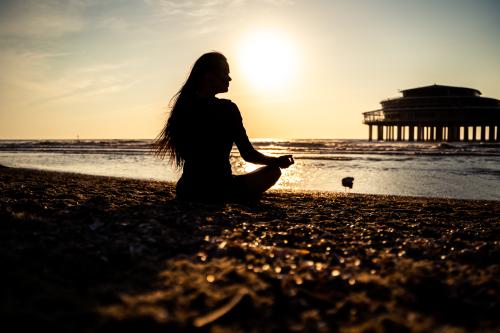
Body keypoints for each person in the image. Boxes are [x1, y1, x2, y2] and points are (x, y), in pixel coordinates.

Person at [153, 52, 294, 203]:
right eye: (225, 72)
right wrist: (276, 162)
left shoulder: (183, 108)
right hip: (221, 188)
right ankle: (238, 196)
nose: (229, 78)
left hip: (187, 189)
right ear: (209, 75)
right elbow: (248, 154)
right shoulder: (228, 109)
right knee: (273, 172)